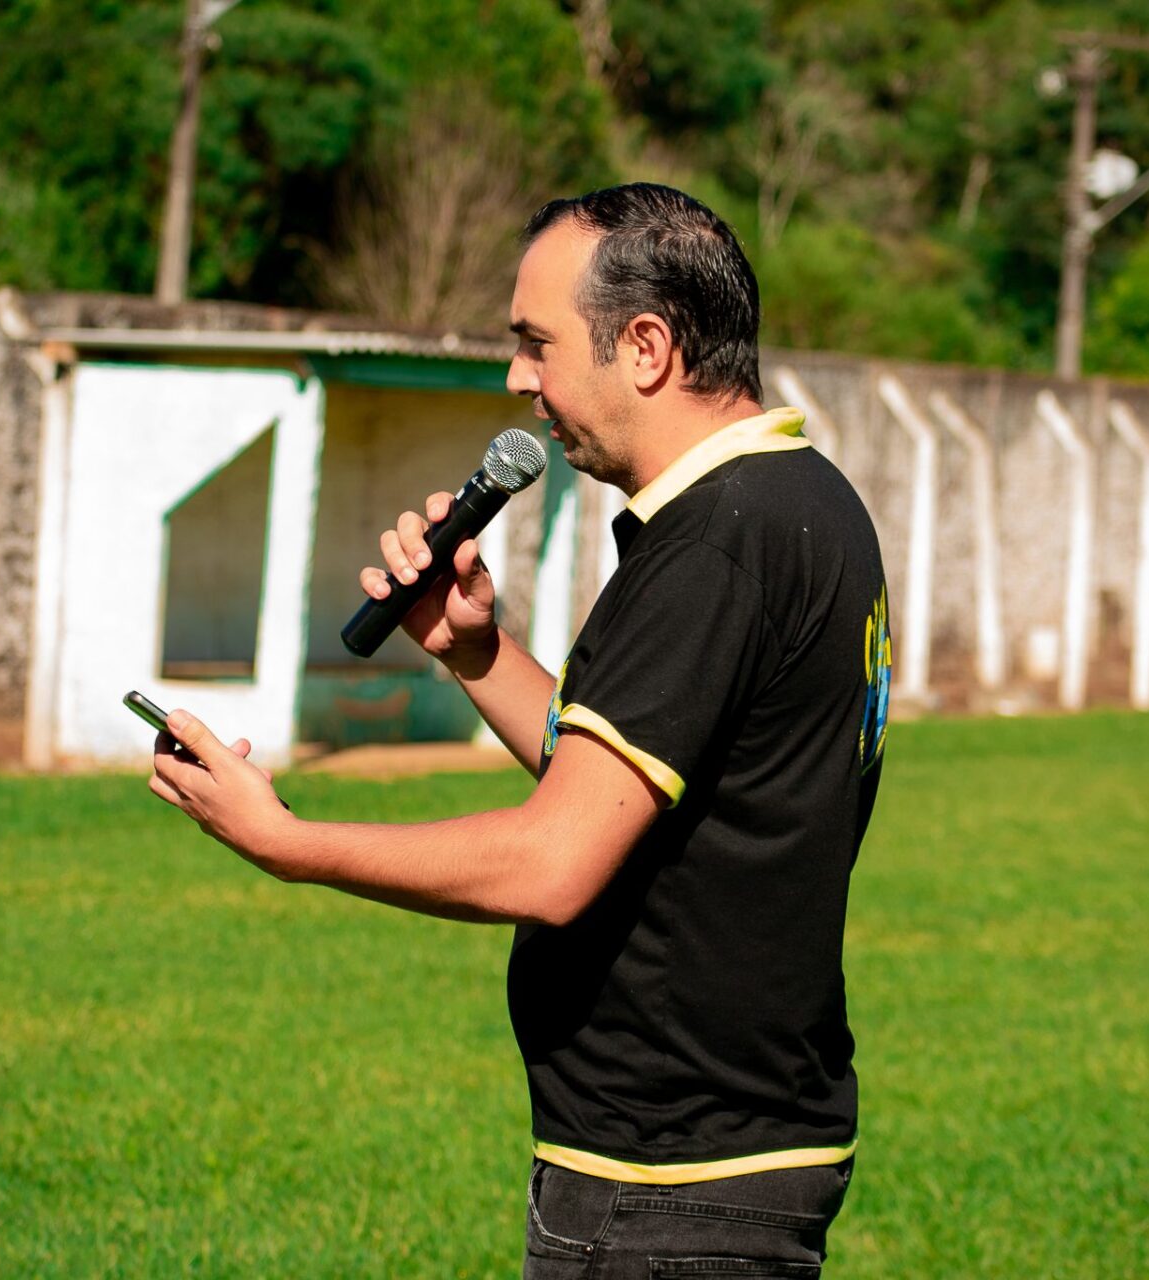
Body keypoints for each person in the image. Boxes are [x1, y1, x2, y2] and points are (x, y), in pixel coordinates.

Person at [148, 182, 891, 1277]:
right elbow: (633, 786)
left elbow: (554, 859)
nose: (517, 378)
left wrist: (288, 842)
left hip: (666, 1188)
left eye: (536, 343)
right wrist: (473, 651)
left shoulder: (716, 546)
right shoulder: (807, 502)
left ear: (645, 345)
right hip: (727, 1158)